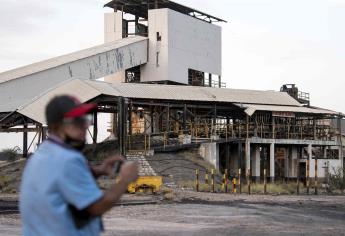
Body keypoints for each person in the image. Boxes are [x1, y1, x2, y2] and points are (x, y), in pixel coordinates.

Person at [20, 95, 138, 236]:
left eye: (85, 119)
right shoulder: (68, 159)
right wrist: (125, 180)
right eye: (76, 121)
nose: (85, 126)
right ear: (57, 126)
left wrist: (98, 171)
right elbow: (97, 207)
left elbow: (58, 179)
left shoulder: (41, 154)